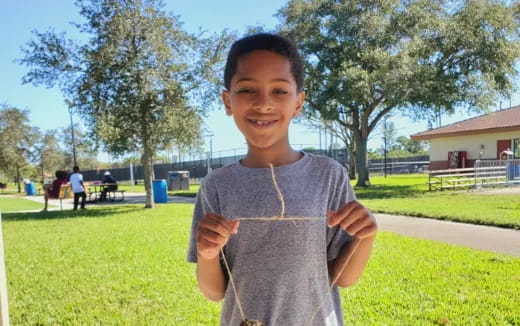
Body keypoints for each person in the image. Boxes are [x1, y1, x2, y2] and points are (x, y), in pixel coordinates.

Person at [187, 33, 378, 325]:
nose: (263, 103)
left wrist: (365, 235)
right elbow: (214, 292)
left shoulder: (328, 175)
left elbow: (344, 277)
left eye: (279, 91)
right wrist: (207, 251)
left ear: (298, 102)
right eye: (247, 90)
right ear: (227, 101)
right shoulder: (216, 186)